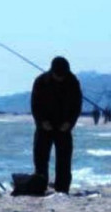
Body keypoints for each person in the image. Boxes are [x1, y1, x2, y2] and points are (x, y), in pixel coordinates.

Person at [30, 56, 83, 194]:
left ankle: (62, 189)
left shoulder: (73, 82)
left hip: (63, 128)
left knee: (64, 161)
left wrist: (70, 123)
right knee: (40, 159)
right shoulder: (41, 81)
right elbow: (35, 105)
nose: (61, 78)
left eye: (63, 76)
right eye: (58, 75)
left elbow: (77, 106)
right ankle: (40, 187)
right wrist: (41, 122)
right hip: (44, 127)